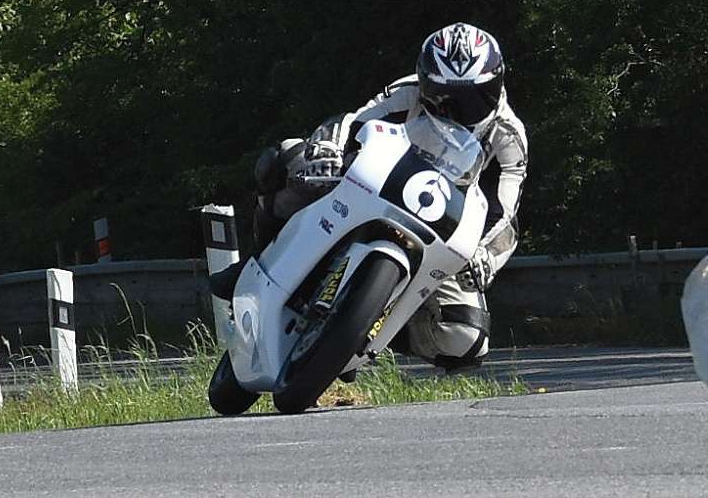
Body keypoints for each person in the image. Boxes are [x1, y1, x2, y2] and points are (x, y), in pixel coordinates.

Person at [213, 22, 528, 371]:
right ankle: (258, 260)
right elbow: (354, 122)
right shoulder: (407, 92)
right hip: (373, 190)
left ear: (497, 85)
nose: (456, 110)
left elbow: (505, 210)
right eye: (443, 96)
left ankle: (366, 333)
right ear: (425, 82)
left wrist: (485, 253)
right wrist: (328, 149)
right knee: (286, 157)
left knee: (467, 338)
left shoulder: (508, 136)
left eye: (473, 99)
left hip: (439, 228)